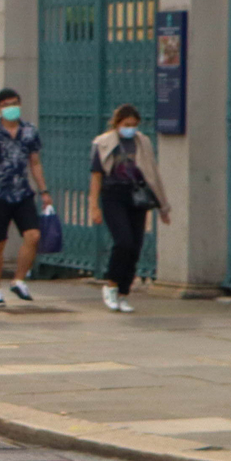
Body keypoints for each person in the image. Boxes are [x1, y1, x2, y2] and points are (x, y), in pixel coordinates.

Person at [87, 103, 171, 313]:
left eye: (134, 125)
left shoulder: (142, 142)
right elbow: (96, 176)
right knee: (123, 241)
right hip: (113, 196)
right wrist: (93, 205)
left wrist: (163, 206)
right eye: (126, 124)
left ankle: (124, 293)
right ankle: (111, 284)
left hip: (137, 197)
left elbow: (152, 174)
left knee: (135, 246)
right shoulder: (103, 143)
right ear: (117, 124)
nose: (130, 128)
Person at [0, 87, 51, 307]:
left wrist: (44, 191)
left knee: (33, 235)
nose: (11, 108)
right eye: (6, 105)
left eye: (15, 103)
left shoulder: (29, 131)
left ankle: (18, 279)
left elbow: (35, 162)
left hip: (23, 193)